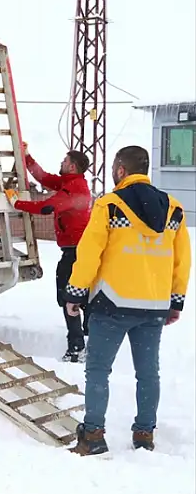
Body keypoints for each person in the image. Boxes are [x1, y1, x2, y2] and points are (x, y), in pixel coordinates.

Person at [64, 145, 190, 456]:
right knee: (148, 373)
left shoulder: (109, 205)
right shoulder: (173, 208)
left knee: (98, 370)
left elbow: (89, 253)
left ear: (121, 170)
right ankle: (144, 434)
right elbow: (181, 260)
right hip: (154, 307)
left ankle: (93, 435)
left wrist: (76, 292)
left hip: (112, 305)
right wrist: (175, 301)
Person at [5, 143, 93, 361]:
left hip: (76, 253)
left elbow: (47, 207)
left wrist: (16, 202)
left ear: (72, 167)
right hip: (77, 251)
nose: (61, 163)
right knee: (80, 297)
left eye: (64, 161)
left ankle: (78, 348)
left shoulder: (74, 189)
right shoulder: (70, 182)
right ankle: (87, 343)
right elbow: (43, 178)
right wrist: (27, 157)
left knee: (70, 297)